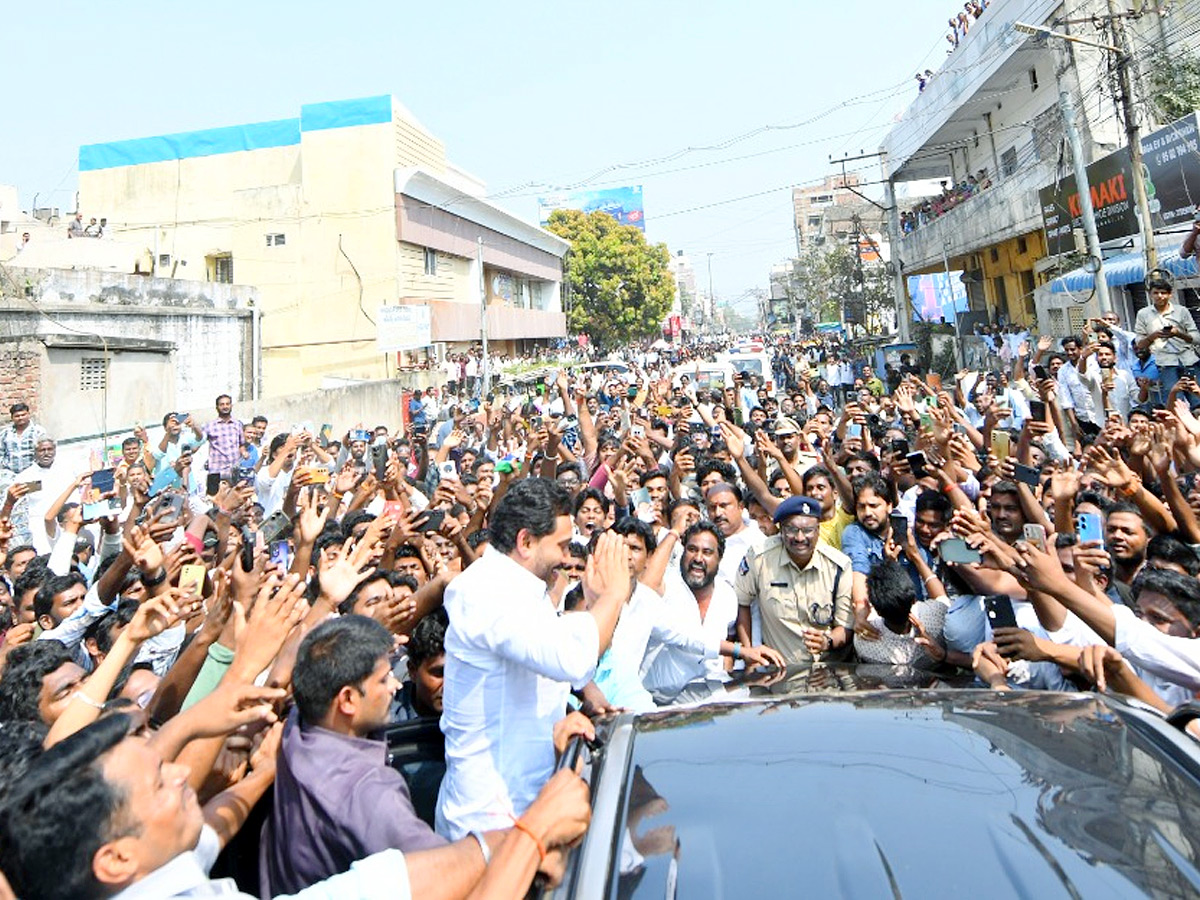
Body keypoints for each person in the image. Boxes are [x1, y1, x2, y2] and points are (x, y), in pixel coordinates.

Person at [0, 712, 593, 900]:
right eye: (159, 782)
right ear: (116, 858)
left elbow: (380, 887)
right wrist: (533, 837)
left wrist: (259, 777)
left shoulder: (143, 874)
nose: (185, 775)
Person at [436, 478, 630, 840]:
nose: (565, 556)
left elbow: (546, 648)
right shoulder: (485, 591)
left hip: (528, 806)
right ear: (525, 541)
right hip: (490, 821)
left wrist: (583, 688)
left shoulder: (521, 583)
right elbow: (571, 657)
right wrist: (615, 595)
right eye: (559, 545)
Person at [261, 615, 450, 895]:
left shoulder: (296, 726)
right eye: (384, 679)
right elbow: (447, 872)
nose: (395, 687)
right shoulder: (370, 793)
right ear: (348, 699)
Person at [735, 495, 854, 665]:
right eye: (791, 529)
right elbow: (742, 603)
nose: (799, 538)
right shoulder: (759, 558)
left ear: (818, 530)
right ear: (781, 530)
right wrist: (749, 652)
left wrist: (827, 641)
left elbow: (846, 627)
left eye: (807, 530)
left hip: (828, 672)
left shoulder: (838, 566)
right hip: (779, 670)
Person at [1134, 269, 1200, 397]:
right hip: (1165, 362)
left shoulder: (1181, 311)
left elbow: (1196, 337)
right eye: (1156, 293)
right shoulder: (1143, 314)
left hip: (1188, 359)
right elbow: (1140, 344)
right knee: (1175, 400)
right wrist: (1153, 336)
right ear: (1150, 294)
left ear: (1170, 294)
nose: (1159, 296)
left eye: (1163, 293)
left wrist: (1178, 333)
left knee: (1196, 398)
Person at [203, 393, 245, 480]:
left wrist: (244, 452)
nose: (225, 406)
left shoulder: (238, 424)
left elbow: (241, 445)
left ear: (231, 406)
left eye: (227, 404)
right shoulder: (209, 426)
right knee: (214, 494)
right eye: (222, 404)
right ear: (217, 407)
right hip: (216, 471)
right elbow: (198, 442)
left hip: (234, 470)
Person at [0, 402, 48, 476]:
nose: (20, 418)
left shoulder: (39, 432)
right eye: (17, 416)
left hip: (33, 474)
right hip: (10, 475)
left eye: (23, 415)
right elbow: (1, 453)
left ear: (28, 414)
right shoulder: (5, 433)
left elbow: (45, 452)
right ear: (12, 417)